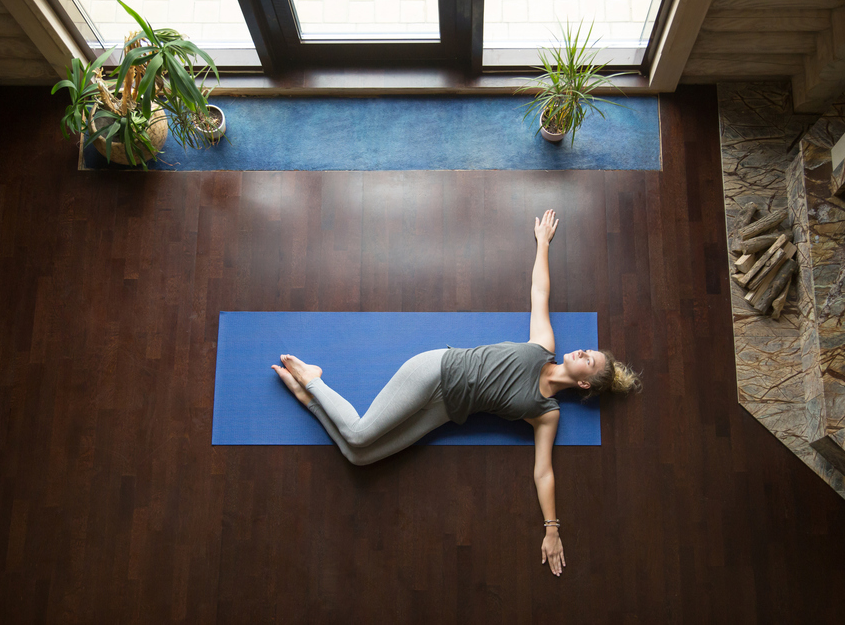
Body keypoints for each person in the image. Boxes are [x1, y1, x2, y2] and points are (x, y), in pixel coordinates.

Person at [272, 209, 641, 576]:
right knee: (358, 433)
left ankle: (310, 402)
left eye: (588, 361)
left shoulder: (547, 412)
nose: (582, 352)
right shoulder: (543, 345)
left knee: (359, 458)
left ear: (583, 384)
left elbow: (543, 472)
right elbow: (539, 291)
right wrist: (542, 243)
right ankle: (313, 380)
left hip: (445, 412)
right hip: (437, 370)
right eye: (588, 351)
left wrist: (552, 529)